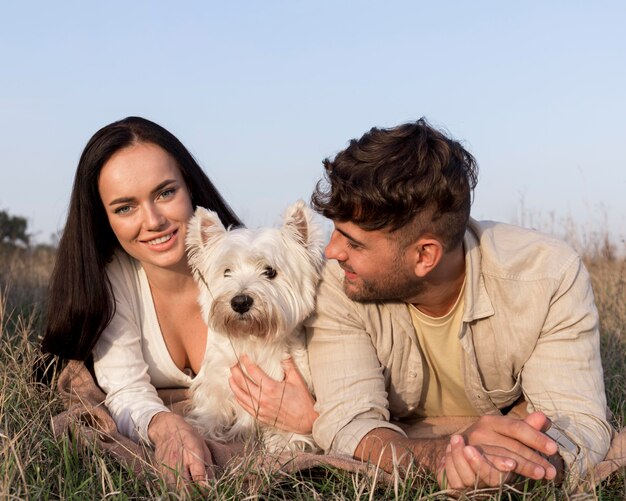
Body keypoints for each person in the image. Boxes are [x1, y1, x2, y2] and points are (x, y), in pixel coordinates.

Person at [302, 118, 612, 491]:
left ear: (425, 256)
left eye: (354, 242)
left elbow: (577, 424)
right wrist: (442, 459)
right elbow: (349, 423)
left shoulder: (548, 277)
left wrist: (513, 465)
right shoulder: (337, 284)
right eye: (334, 231)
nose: (332, 251)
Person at [41, 116, 314, 485]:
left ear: (190, 188)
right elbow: (126, 390)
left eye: (165, 193)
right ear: (103, 218)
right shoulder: (113, 282)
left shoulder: (242, 258)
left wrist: (309, 417)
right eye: (125, 207)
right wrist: (164, 425)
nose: (153, 220)